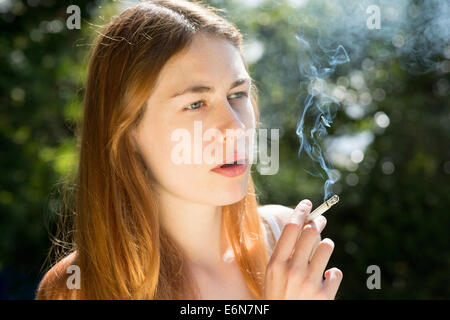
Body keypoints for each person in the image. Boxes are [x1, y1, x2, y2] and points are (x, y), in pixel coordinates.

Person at [35, 0, 342, 300]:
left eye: (237, 94)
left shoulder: (283, 246)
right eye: (195, 104)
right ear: (127, 130)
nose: (235, 128)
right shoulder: (77, 288)